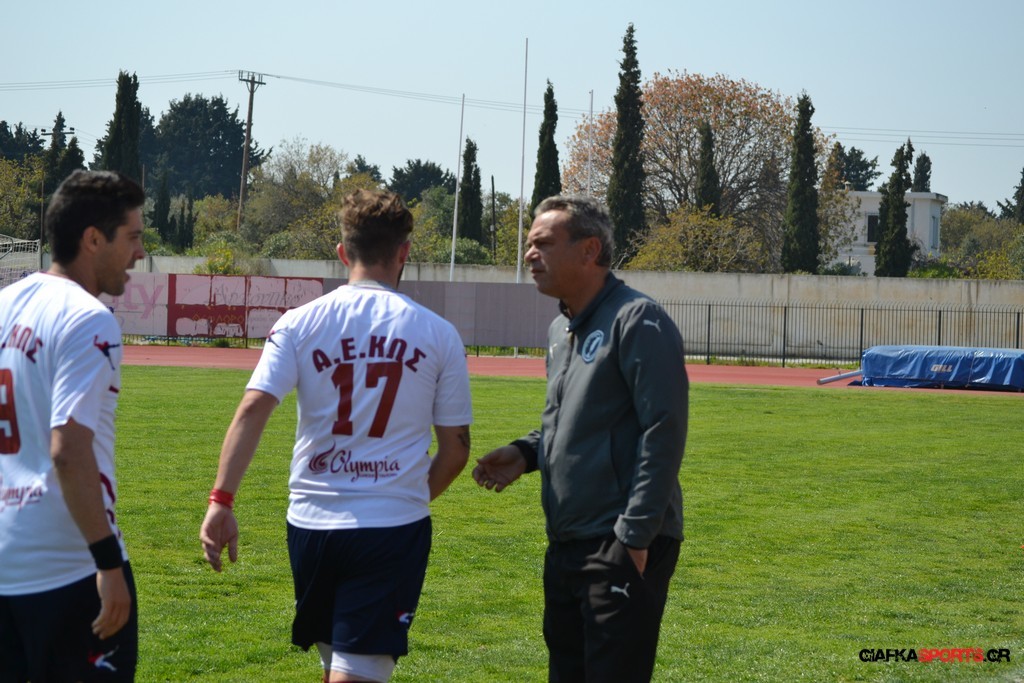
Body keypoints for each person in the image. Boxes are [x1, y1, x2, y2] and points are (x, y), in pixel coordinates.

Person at [200, 188, 472, 683]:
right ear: (404, 252)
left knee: (337, 667)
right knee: (357, 674)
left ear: (344, 253)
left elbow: (253, 407)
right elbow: (456, 450)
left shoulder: (298, 323)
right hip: (390, 527)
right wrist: (404, 494)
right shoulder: (438, 333)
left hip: (311, 523)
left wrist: (222, 499)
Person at [473, 195, 688, 683]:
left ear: (590, 250)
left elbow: (664, 429)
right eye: (530, 243)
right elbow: (573, 420)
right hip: (567, 541)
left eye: (544, 243)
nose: (530, 254)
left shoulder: (638, 319)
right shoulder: (560, 328)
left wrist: (633, 536)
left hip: (619, 538)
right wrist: (525, 453)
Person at [0, 170, 146, 681]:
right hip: (67, 566)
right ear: (93, 239)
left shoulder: (4, 306)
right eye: (133, 236)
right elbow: (68, 449)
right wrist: (107, 562)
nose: (140, 253)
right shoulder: (88, 318)